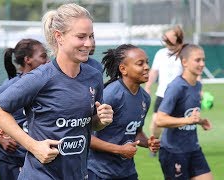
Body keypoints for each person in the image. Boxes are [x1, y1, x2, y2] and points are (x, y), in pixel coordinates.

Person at [0, 3, 113, 180]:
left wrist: (101, 120)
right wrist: (33, 146)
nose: (89, 43)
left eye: (91, 36)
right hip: (41, 175)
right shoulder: (41, 77)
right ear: (59, 37)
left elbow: (88, 123)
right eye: (81, 37)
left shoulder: (94, 76)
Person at [87, 44, 160, 180]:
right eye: (140, 63)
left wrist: (148, 142)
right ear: (123, 69)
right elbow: (85, 136)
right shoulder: (111, 94)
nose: (146, 67)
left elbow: (135, 132)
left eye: (147, 62)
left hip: (127, 172)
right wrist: (119, 149)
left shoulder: (145, 98)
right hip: (99, 172)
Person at [0, 38, 49, 180]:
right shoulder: (10, 87)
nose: (47, 60)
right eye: (42, 56)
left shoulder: (47, 84)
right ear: (28, 59)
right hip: (13, 159)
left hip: (39, 156)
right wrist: (0, 139)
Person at [156, 44, 213, 180]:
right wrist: (188, 120)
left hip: (193, 148)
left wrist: (200, 121)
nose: (202, 64)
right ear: (184, 62)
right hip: (173, 151)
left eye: (203, 60)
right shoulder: (176, 87)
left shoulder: (198, 85)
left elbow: (187, 115)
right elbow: (160, 119)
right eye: (197, 60)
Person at [144, 25, 184, 154]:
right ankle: (154, 144)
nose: (166, 41)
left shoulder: (185, 54)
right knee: (156, 122)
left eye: (169, 38)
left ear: (178, 39)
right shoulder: (160, 53)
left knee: (180, 124)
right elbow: (154, 72)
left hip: (181, 96)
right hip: (162, 94)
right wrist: (148, 86)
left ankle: (179, 147)